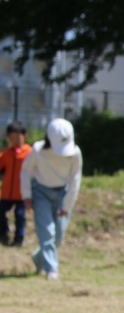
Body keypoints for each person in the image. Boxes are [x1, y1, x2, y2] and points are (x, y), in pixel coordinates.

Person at [20, 118, 83, 280]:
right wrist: (26, 195)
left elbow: (75, 179)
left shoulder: (75, 153)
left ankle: (38, 258)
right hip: (41, 194)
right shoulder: (38, 150)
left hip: (62, 194)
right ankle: (51, 269)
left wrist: (67, 205)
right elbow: (26, 172)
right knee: (47, 232)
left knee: (58, 236)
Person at [0, 121, 32, 247]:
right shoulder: (6, 154)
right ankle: (3, 232)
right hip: (6, 193)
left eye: (17, 137)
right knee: (0, 211)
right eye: (11, 137)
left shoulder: (30, 153)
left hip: (22, 194)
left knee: (20, 216)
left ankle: (19, 239)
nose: (15, 140)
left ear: (25, 136)